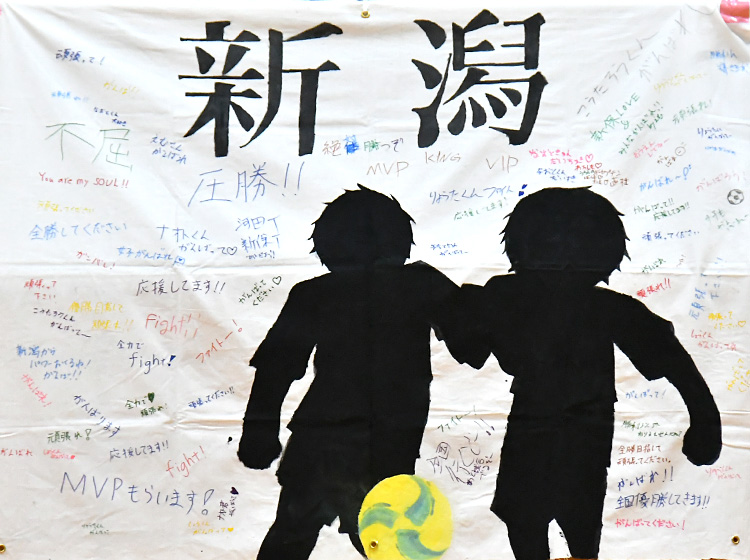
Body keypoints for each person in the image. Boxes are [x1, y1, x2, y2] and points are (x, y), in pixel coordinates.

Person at [459, 187, 722, 560]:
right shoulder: (595, 306)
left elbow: (471, 351)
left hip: (568, 427)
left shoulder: (521, 297)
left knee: (553, 519)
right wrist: (704, 421)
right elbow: (673, 361)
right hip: (571, 428)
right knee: (543, 518)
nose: (563, 261)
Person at [237, 185, 467, 560]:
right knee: (381, 538)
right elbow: (471, 345)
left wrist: (259, 430)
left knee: (295, 533)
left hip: (325, 438)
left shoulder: (315, 293)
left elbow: (275, 369)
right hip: (387, 438)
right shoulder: (420, 285)